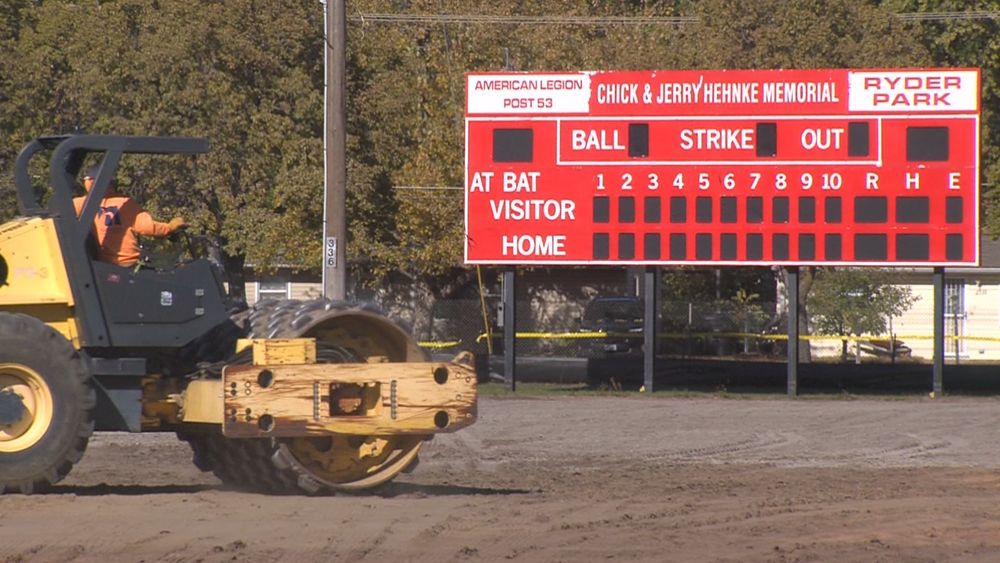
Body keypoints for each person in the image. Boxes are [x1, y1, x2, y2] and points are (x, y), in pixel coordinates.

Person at [73, 165, 186, 267]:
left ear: (89, 183)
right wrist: (170, 227)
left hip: (101, 266)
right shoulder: (125, 203)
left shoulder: (79, 204)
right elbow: (148, 228)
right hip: (127, 264)